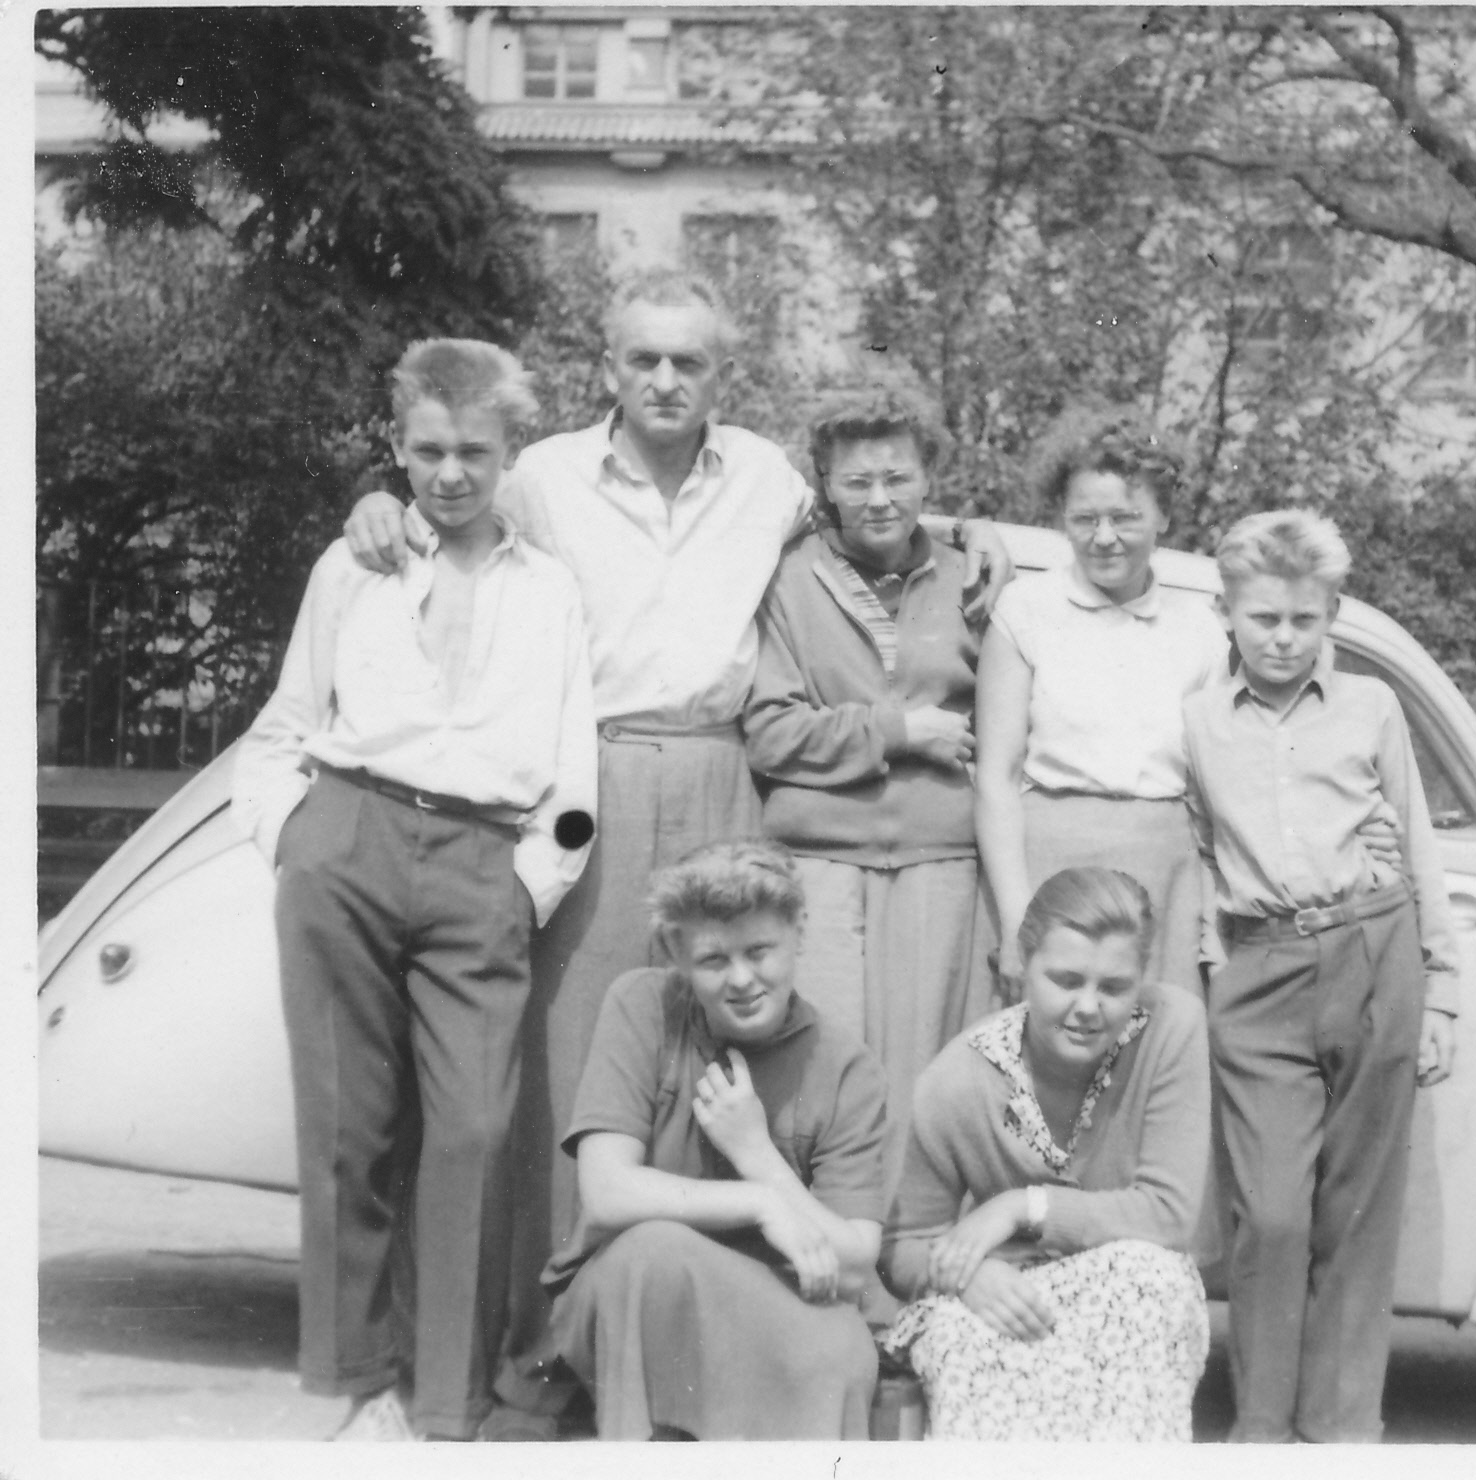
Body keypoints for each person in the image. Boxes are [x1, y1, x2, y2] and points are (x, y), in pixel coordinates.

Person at [340, 269, 1011, 1430]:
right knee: (575, 1067)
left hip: (721, 774)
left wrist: (967, 532)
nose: (664, 379)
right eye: (644, 358)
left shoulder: (767, 477)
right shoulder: (544, 475)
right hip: (590, 772)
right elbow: (452, 514)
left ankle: (690, 1348)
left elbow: (873, 515)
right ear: (609, 366)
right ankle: (547, 1351)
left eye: (687, 361)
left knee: (720, 1058)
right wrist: (375, 505)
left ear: (718, 373)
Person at [231, 339, 598, 1441]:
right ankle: (355, 1383)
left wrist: (526, 887)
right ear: (398, 446)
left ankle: (446, 1401)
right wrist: (296, 840)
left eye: (474, 451)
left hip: (483, 863)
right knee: (348, 1126)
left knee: (474, 1131)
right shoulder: (353, 567)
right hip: (348, 838)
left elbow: (573, 773)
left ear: (510, 452)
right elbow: (285, 724)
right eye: (429, 450)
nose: (450, 473)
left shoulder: (549, 589)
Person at [1180, 509, 1462, 1443]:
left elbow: (1417, 845)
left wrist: (1442, 988)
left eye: (1304, 619)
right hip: (1258, 970)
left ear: (1332, 614)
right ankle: (1262, 1433)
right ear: (1227, 613)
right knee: (1269, 1215)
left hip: (1372, 952)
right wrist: (1211, 944)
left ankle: (1340, 1436)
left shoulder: (1371, 707)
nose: (1283, 638)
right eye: (1263, 618)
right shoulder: (1198, 718)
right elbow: (1197, 844)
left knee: (1357, 1211)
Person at [543, 842, 888, 1440]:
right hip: (635, 1288)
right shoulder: (642, 1005)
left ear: (798, 932)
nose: (742, 979)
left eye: (760, 951)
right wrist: (760, 1203)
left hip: (772, 1293)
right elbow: (606, 1193)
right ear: (676, 953)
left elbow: (855, 1265)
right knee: (654, 1250)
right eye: (712, 959)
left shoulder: (846, 1067)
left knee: (844, 1353)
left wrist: (757, 1156)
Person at [742, 386, 995, 1187]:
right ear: (825, 483)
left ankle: (906, 1256)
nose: (879, 498)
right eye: (856, 481)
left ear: (929, 479)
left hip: (938, 861)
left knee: (924, 1084)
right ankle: (821, 1250)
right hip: (819, 860)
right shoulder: (788, 579)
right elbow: (771, 732)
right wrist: (898, 731)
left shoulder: (972, 578)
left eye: (898, 477)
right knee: (819, 1080)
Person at [880, 867, 1213, 1441]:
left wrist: (1022, 1206)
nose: (1088, 1007)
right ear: (1024, 966)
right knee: (962, 1338)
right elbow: (902, 1245)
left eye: (1114, 987)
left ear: (1141, 980)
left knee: (1151, 1284)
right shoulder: (958, 1080)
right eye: (1066, 980)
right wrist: (969, 1276)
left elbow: (1169, 1214)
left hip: (1125, 1282)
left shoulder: (1169, 1029)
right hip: (1005, 1287)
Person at [973, 412, 1225, 995]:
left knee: (1155, 1038)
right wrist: (1016, 920)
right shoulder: (1025, 610)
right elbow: (996, 778)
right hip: (1049, 867)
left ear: (1163, 516)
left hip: (1165, 872)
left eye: (1126, 517)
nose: (1104, 537)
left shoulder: (1200, 629)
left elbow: (1212, 796)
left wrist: (1212, 918)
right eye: (1084, 518)